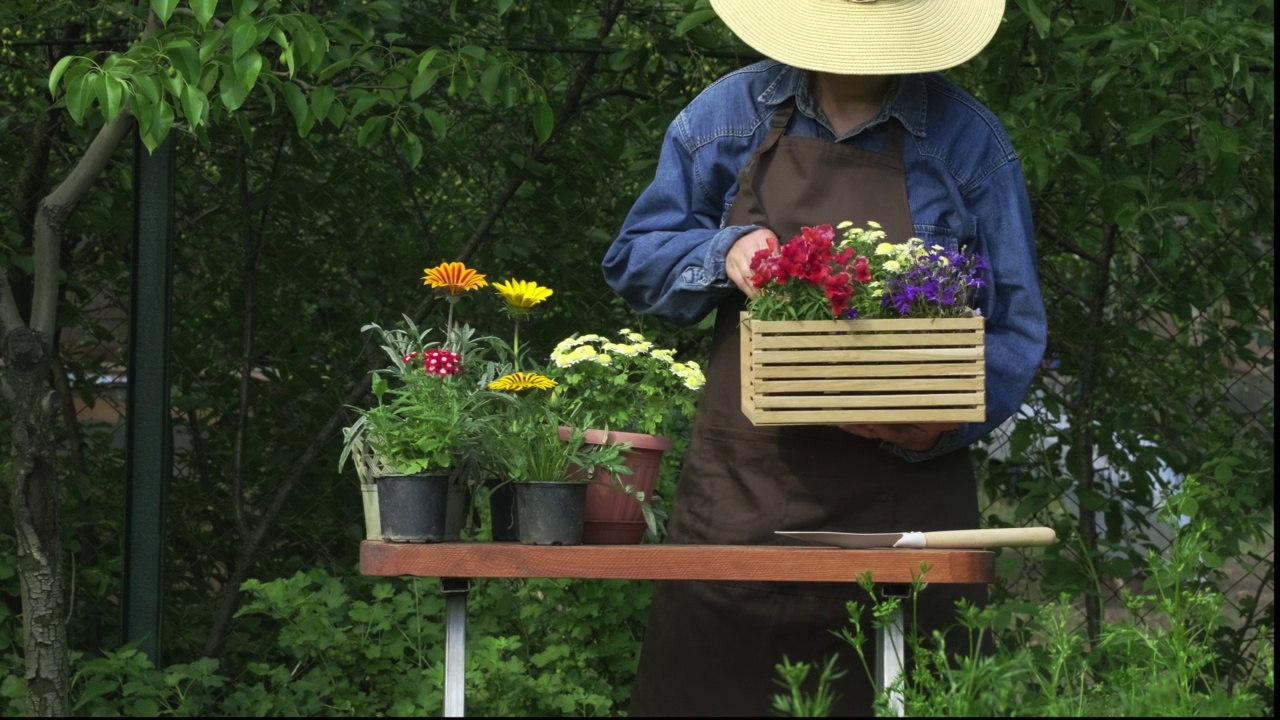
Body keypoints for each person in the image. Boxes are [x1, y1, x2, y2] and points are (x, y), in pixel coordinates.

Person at [601, 0, 1046, 715]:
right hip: (744, 507)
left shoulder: (967, 144)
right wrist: (724, 252)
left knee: (907, 694)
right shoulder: (730, 116)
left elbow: (1017, 331)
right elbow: (633, 258)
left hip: (905, 506)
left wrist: (939, 423)